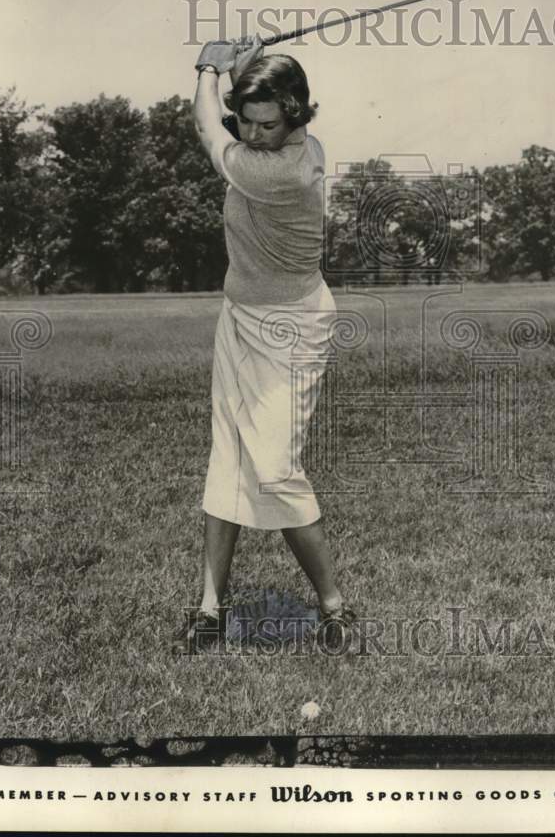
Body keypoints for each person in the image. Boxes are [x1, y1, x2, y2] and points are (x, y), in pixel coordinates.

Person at [172, 36, 355, 653]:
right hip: (239, 314)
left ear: (298, 113)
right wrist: (242, 64)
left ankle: (334, 607)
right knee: (229, 456)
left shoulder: (287, 170)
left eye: (268, 124)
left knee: (274, 467)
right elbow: (232, 111)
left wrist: (207, 66)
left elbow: (204, 127)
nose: (253, 135)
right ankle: (209, 608)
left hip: (294, 325)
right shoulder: (277, 140)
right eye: (245, 123)